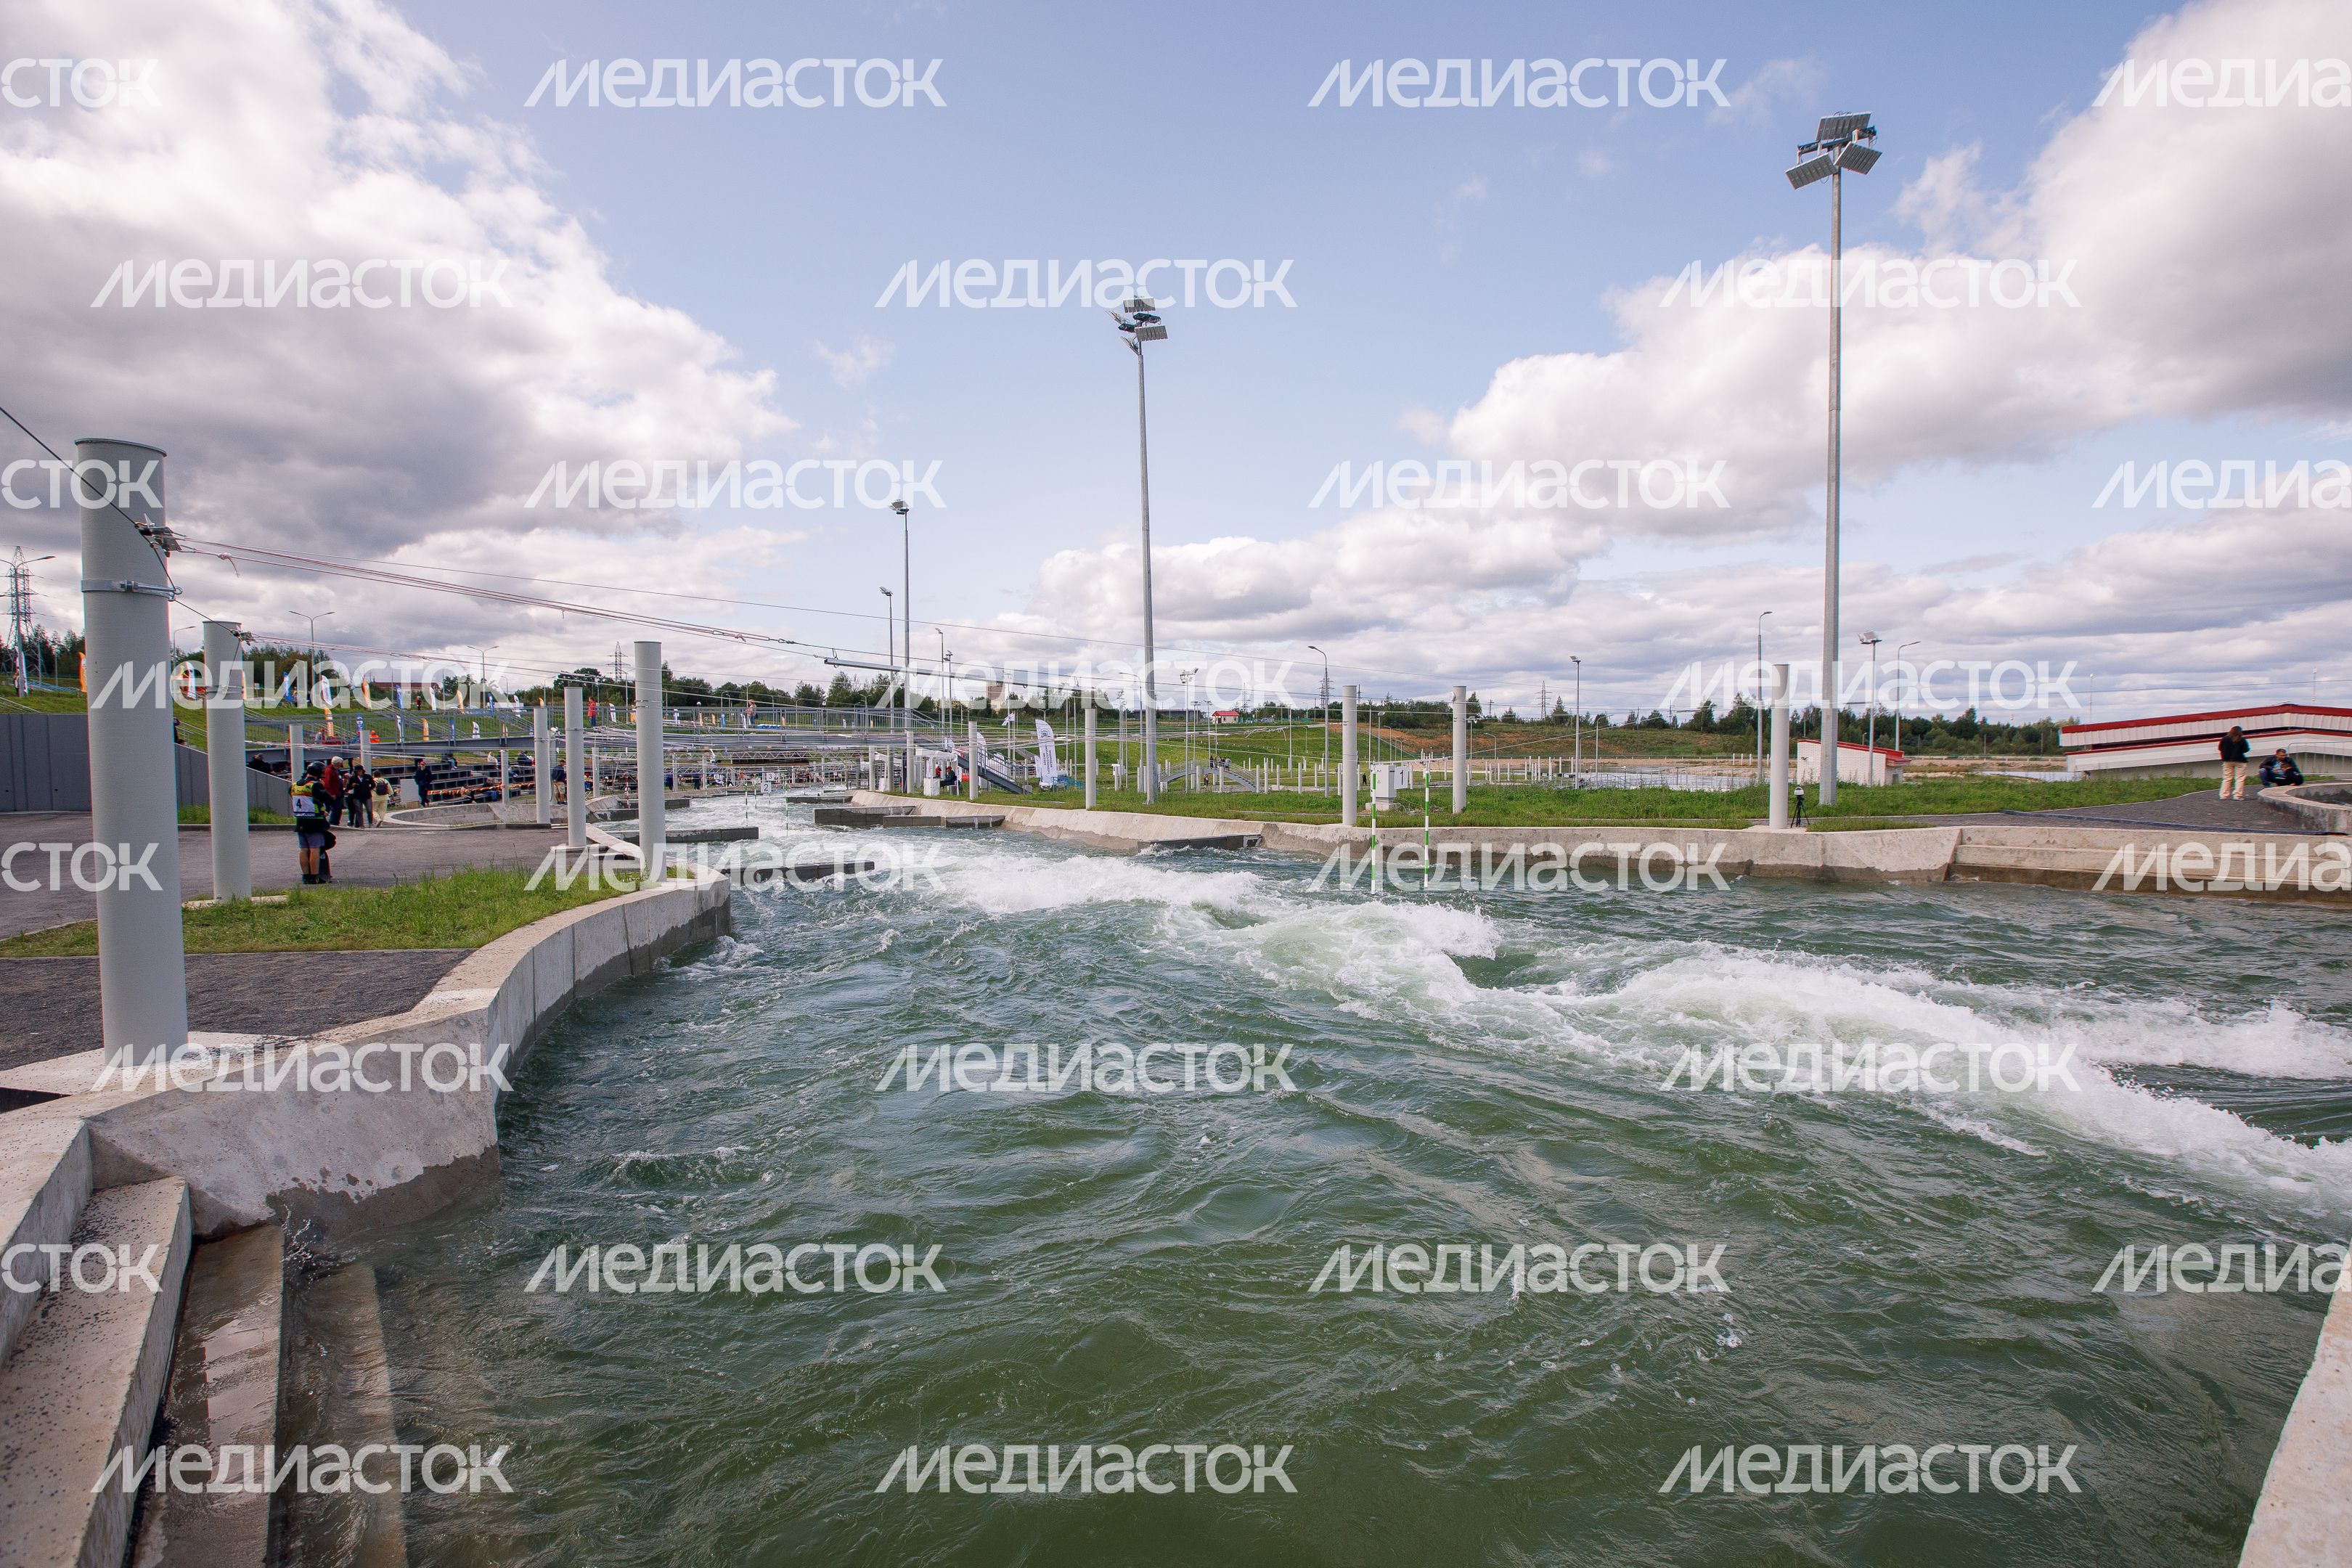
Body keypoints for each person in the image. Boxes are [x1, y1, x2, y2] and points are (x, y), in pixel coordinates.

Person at [293, 766, 329, 882]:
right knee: (314, 849)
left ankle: (306, 876)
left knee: (303, 849)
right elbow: (327, 798)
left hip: (300, 820)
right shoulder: (315, 785)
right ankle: (315, 876)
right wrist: (322, 786)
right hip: (314, 820)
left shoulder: (295, 786)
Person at [2218, 725, 2252, 799]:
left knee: (2227, 778)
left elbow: (2220, 748)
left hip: (2227, 760)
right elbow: (2246, 749)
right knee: (2239, 778)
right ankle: (2237, 795)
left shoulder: (2225, 739)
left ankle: (2224, 795)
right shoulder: (2241, 739)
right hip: (2240, 760)